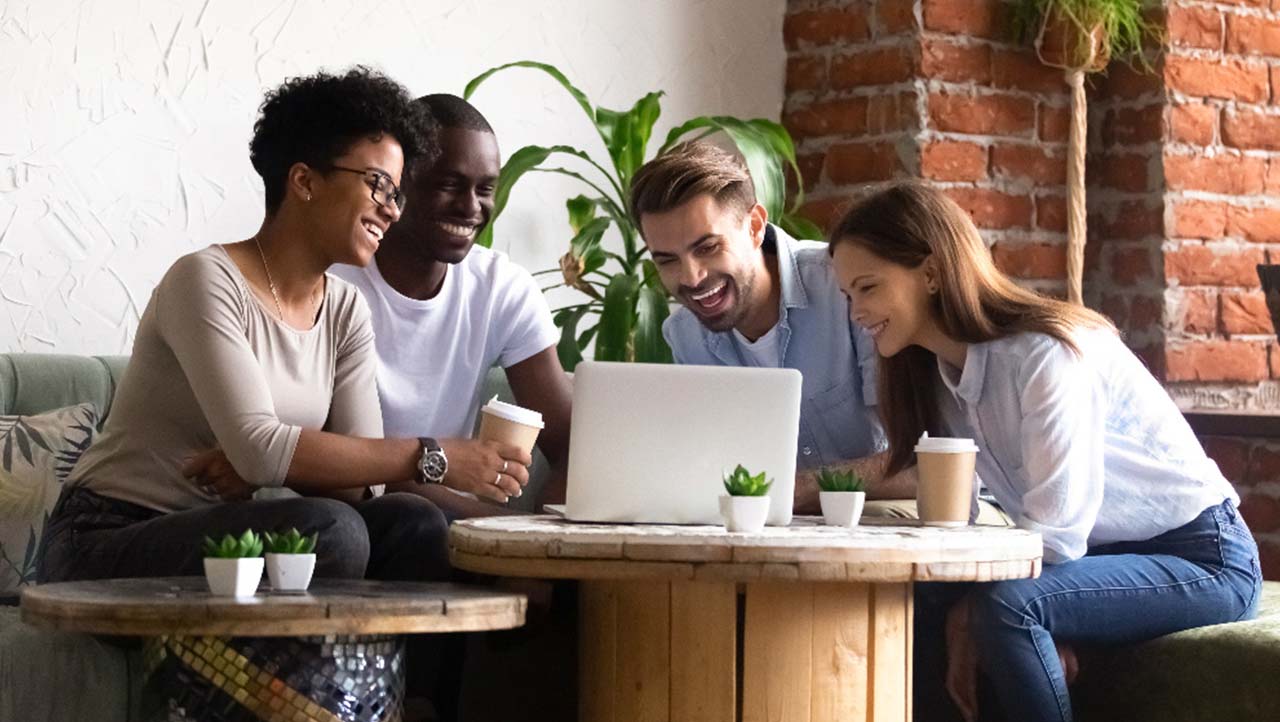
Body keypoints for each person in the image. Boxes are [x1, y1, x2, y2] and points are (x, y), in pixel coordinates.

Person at [38, 68, 530, 589]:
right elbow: (260, 446)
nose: (390, 209)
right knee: (332, 532)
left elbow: (367, 487)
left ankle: (385, 677)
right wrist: (435, 455)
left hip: (229, 535)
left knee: (414, 523)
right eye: (379, 184)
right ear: (304, 181)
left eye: (397, 194)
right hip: (109, 535)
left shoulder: (344, 310)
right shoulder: (204, 279)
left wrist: (278, 461)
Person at [826, 181, 1262, 722]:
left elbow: (1055, 533)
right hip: (1101, 558)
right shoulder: (935, 376)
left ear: (932, 273)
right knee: (921, 597)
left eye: (867, 288)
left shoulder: (1042, 356)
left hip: (1203, 557)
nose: (856, 312)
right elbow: (957, 521)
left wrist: (1007, 605)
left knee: (1007, 606)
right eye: (848, 296)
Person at [628, 140, 909, 514]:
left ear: (755, 226)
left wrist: (800, 489)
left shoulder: (844, 288)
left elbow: (921, 461)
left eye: (708, 248)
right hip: (779, 526)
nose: (691, 278)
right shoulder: (684, 335)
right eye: (667, 260)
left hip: (889, 510)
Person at [331, 94, 571, 518]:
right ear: (395, 186)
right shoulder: (334, 281)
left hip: (446, 518)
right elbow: (337, 460)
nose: (471, 207)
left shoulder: (500, 288)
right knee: (412, 517)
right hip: (353, 512)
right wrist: (498, 528)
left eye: (486, 189)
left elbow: (572, 445)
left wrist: (554, 537)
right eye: (448, 185)